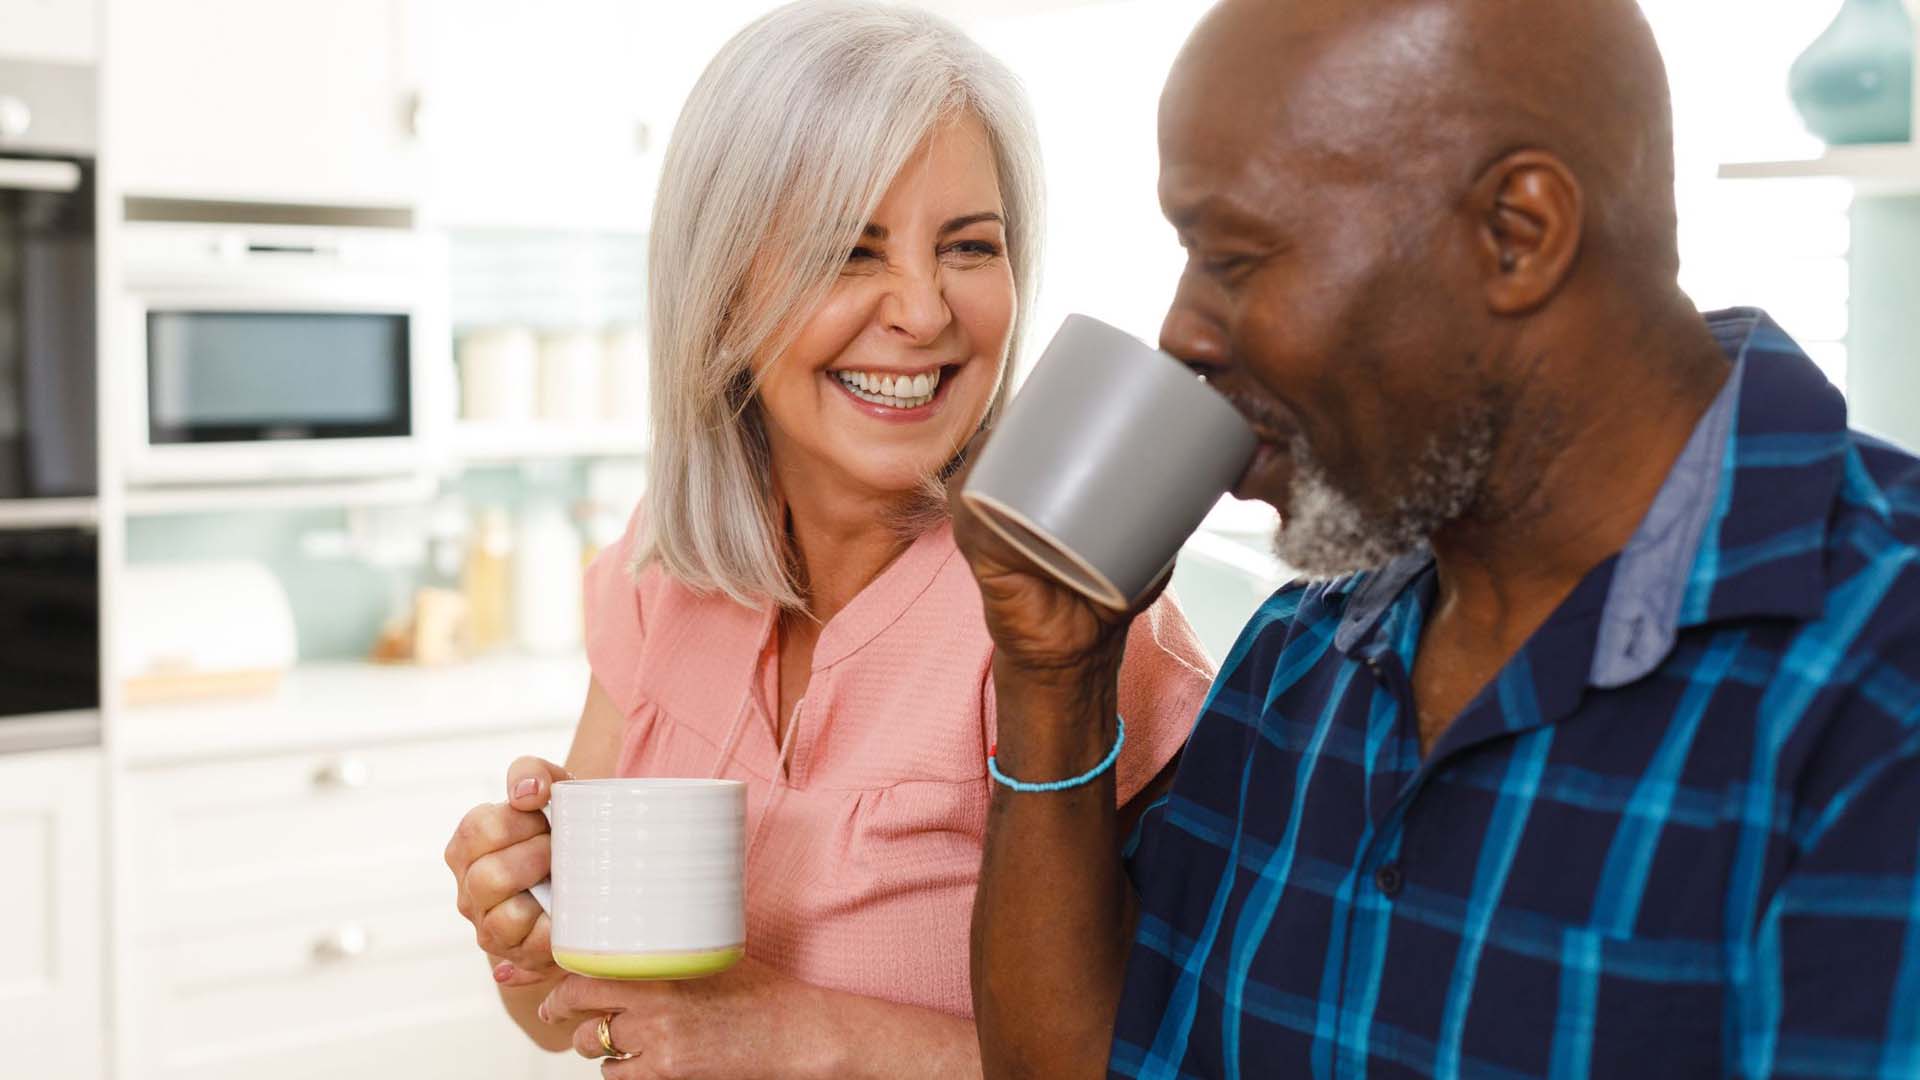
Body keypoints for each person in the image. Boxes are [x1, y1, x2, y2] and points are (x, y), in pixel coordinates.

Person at [956, 0, 1920, 1075]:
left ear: (1518, 234)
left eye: (1235, 257)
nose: (1182, 331)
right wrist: (1054, 676)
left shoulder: (1880, 678)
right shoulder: (1304, 655)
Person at [443, 3, 1216, 1076]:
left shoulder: (1076, 621)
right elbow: (580, 1022)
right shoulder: (658, 576)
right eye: (847, 250)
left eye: (969, 247)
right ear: (721, 294)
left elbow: (1180, 1055)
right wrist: (532, 930)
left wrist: (800, 1033)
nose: (921, 310)